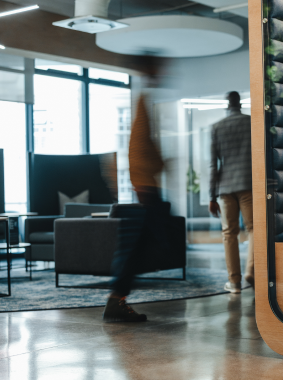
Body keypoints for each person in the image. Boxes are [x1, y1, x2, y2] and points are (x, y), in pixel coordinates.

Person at [103, 56, 166, 322]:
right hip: (146, 184)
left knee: (144, 243)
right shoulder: (142, 100)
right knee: (144, 244)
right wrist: (151, 172)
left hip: (146, 183)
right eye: (158, 67)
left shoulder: (144, 99)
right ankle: (116, 299)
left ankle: (117, 298)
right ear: (148, 68)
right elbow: (138, 148)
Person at [209, 91, 254, 294]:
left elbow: (213, 165)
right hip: (248, 184)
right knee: (253, 229)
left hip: (225, 188)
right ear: (240, 104)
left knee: (229, 233)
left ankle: (234, 283)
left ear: (227, 105)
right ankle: (251, 271)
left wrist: (212, 195)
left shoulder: (216, 127)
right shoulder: (251, 123)